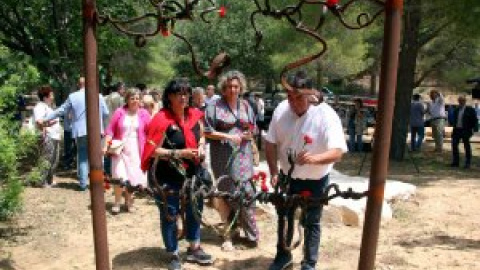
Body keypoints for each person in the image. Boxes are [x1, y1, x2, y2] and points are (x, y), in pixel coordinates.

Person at [264, 71, 347, 270]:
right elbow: (270, 143)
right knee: (284, 217)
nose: (293, 102)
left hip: (315, 180)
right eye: (289, 97)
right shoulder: (281, 110)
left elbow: (337, 151)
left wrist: (315, 159)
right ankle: (283, 256)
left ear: (311, 95)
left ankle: (309, 264)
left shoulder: (326, 115)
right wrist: (274, 171)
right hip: (287, 177)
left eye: (298, 97)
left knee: (312, 222)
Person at [140, 78, 213, 270]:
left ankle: (194, 248)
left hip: (192, 175)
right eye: (178, 93)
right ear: (169, 97)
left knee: (195, 210)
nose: (183, 97)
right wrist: (180, 153)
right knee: (169, 214)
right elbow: (152, 151)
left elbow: (202, 135)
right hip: (166, 176)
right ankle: (172, 253)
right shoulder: (161, 119)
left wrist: (201, 147)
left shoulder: (195, 115)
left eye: (186, 93)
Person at [204, 70, 259, 251]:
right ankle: (229, 233)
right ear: (224, 88)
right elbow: (206, 131)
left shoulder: (246, 106)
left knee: (247, 193)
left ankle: (251, 234)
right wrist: (227, 136)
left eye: (236, 86)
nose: (233, 90)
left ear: (241, 87)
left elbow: (254, 128)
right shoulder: (215, 106)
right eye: (229, 87)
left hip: (244, 157)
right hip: (223, 157)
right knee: (228, 195)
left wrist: (250, 133)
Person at [43, 77, 109, 191]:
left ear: (79, 85)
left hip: (80, 131)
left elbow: (61, 110)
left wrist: (45, 119)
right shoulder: (98, 96)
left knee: (82, 156)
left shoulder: (73, 96)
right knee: (98, 157)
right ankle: (99, 183)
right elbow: (106, 113)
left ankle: (83, 184)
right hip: (96, 130)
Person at [103, 88, 151, 214]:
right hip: (120, 148)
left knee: (132, 178)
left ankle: (129, 202)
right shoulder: (119, 112)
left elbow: (150, 132)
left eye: (137, 98)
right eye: (132, 98)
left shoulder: (144, 114)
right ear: (127, 99)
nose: (135, 101)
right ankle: (117, 202)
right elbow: (110, 131)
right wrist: (106, 145)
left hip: (137, 150)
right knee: (119, 176)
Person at [33, 85, 62, 187]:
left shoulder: (49, 107)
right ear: (45, 97)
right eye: (51, 94)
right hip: (47, 137)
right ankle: (41, 181)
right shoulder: (40, 107)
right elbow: (39, 122)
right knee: (46, 159)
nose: (53, 95)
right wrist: (48, 125)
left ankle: (49, 180)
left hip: (54, 136)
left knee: (54, 159)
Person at [448, 95, 478, 169]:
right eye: (459, 101)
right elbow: (454, 120)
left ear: (465, 101)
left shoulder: (470, 109)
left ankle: (467, 163)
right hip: (457, 130)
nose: (461, 102)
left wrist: (474, 129)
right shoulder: (456, 110)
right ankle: (456, 162)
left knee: (466, 146)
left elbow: (474, 120)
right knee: (454, 145)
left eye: (462, 101)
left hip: (466, 130)